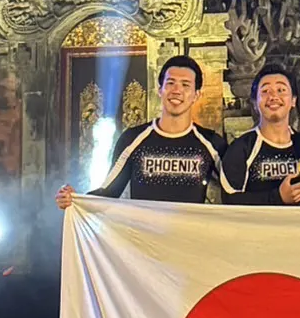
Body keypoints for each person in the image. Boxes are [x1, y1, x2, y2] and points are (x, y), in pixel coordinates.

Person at [55, 55, 223, 208]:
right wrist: (75, 200)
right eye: (170, 83)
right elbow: (109, 191)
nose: (177, 90)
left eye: (185, 85)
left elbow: (233, 195)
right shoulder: (133, 139)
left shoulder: (211, 143)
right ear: (160, 90)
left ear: (197, 94)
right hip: (141, 233)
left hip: (189, 232)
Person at [220, 61, 300, 204]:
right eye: (265, 91)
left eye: (281, 90)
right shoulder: (242, 148)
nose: (273, 96)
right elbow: (229, 200)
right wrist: (278, 197)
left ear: (293, 101)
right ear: (255, 103)